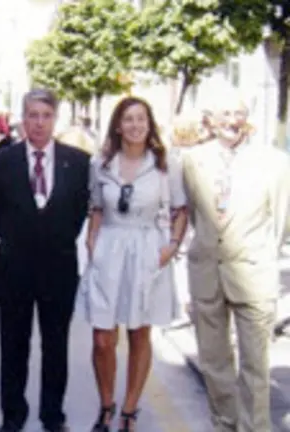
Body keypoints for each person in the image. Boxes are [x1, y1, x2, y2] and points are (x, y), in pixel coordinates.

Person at [77, 97, 188, 432]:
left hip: (147, 249)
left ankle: (128, 409)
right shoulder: (100, 163)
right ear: (118, 125)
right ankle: (106, 403)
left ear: (149, 124)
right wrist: (93, 244)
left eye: (141, 119)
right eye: (128, 119)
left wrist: (169, 248)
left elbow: (180, 210)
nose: (135, 125)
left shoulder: (166, 164)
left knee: (140, 333)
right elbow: (96, 206)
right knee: (102, 337)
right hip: (109, 247)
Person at [182, 97, 290, 432]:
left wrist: (263, 255)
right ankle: (225, 425)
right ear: (211, 120)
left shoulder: (274, 162)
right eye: (225, 112)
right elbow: (195, 214)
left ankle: (254, 428)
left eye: (238, 112)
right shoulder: (192, 160)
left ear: (248, 118)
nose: (232, 119)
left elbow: (283, 221)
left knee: (255, 364)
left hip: (254, 272)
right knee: (214, 362)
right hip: (207, 271)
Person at [0, 88, 91, 432]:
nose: (39, 123)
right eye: (33, 115)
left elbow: (78, 215)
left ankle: (52, 415)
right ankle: (12, 416)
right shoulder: (3, 161)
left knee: (55, 347)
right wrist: (24, 237)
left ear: (55, 119)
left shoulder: (77, 162)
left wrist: (51, 237)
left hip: (59, 268)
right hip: (15, 267)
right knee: (13, 347)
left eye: (46, 116)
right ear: (23, 118)